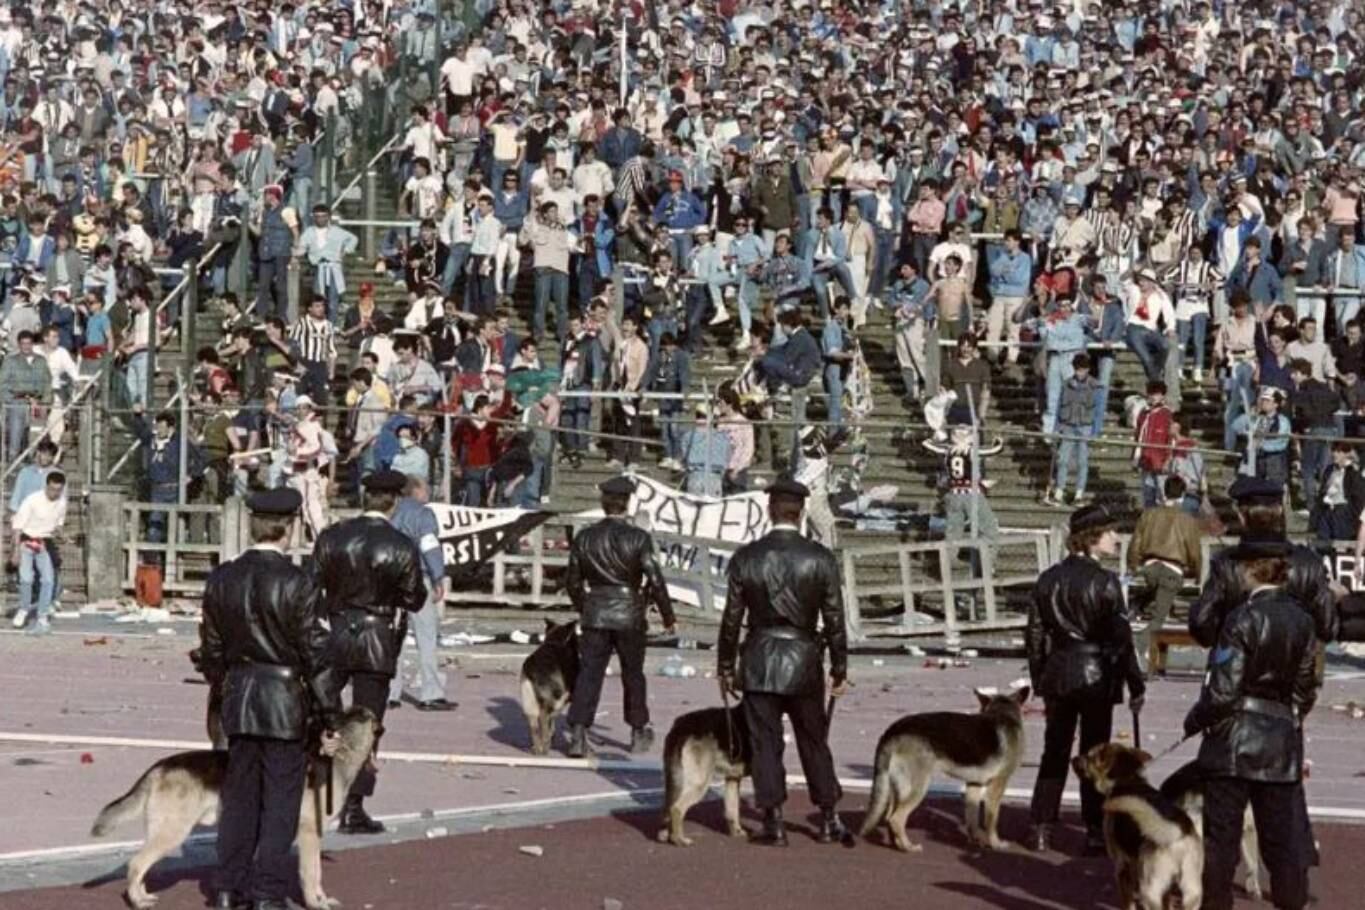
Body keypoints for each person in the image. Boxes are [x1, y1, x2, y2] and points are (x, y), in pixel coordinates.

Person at [198, 488, 340, 910]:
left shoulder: (222, 578)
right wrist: (330, 714)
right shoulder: (299, 583)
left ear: (253, 525)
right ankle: (266, 892)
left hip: (239, 697)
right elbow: (317, 655)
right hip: (284, 701)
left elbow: (211, 650)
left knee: (238, 799)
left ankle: (227, 886)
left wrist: (226, 685)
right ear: (290, 527)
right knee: (280, 803)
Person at [1184, 543, 1319, 910]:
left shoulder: (1241, 618)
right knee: (1282, 842)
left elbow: (1224, 688)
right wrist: (1290, 718)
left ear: (1252, 570)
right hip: (1280, 736)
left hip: (1234, 738)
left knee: (1222, 839)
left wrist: (1196, 719)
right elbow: (1307, 687)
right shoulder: (1303, 621)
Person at [717, 477, 850, 847]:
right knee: (814, 741)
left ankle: (773, 819)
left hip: (759, 657)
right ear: (802, 511)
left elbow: (731, 619)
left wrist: (725, 666)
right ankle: (827, 816)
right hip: (805, 658)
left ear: (769, 509)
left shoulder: (747, 556)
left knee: (765, 744)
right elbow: (835, 619)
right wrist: (840, 668)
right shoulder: (820, 557)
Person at [311, 470, 426, 834]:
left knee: (319, 710)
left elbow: (312, 586)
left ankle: (312, 787)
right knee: (367, 723)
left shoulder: (333, 537)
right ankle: (354, 805)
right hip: (377, 633)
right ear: (394, 502)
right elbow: (414, 597)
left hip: (337, 626)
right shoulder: (401, 544)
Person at [1026, 505, 1144, 855]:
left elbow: (1034, 635)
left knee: (1055, 751)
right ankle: (1094, 829)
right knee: (1095, 755)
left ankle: (1041, 825)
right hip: (1096, 673)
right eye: (1109, 532)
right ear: (1092, 538)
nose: (1116, 538)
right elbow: (1121, 639)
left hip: (1059, 670)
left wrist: (1040, 678)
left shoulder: (1048, 579)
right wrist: (1135, 683)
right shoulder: (1105, 582)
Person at [564, 476, 676, 758]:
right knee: (633, 674)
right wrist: (668, 616)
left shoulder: (585, 537)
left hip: (596, 611)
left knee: (589, 673)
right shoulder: (639, 537)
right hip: (629, 612)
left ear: (603, 503)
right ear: (627, 503)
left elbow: (572, 582)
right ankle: (638, 730)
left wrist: (585, 606)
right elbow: (655, 578)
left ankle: (578, 729)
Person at [387, 476, 453, 713]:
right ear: (416, 491)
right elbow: (429, 546)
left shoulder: (390, 511)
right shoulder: (422, 514)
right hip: (417, 578)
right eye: (426, 488)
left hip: (391, 579)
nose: (429, 493)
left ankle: (391, 692)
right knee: (426, 636)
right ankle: (431, 693)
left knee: (394, 637)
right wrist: (438, 576)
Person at [1127, 476, 1204, 674]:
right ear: (1183, 495)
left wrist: (1133, 565)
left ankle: (1138, 610)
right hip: (1173, 570)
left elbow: (1136, 542)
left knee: (1153, 600)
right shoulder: (1187, 520)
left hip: (1149, 567)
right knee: (1159, 616)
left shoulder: (1149, 514)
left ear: (1164, 492)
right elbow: (1194, 551)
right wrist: (1197, 573)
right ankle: (1139, 646)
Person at [9, 470, 67, 635]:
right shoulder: (32, 500)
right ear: (46, 486)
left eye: (58, 490)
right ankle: (23, 609)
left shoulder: (62, 502)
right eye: (51, 489)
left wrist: (63, 536)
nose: (54, 493)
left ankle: (42, 615)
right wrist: (15, 551)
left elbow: (58, 524)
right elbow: (18, 527)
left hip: (43, 543)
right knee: (26, 579)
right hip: (26, 540)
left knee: (48, 579)